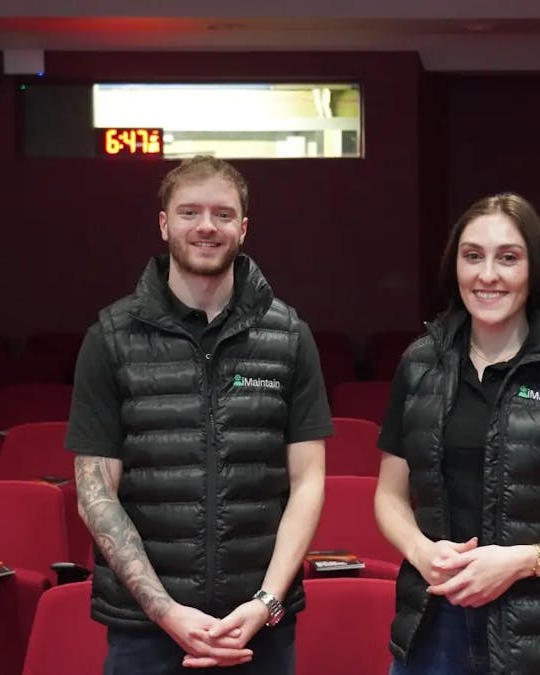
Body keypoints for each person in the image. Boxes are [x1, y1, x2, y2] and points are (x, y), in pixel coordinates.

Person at [66, 155, 332, 674]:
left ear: (243, 228)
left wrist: (265, 602)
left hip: (259, 627)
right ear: (164, 223)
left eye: (222, 214)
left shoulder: (289, 337)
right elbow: (95, 494)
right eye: (189, 212)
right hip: (145, 631)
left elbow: (308, 483)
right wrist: (165, 612)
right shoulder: (110, 339)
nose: (207, 226)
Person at [374, 193, 540, 674]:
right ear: (455, 266)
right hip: (435, 629)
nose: (487, 275)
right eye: (472, 256)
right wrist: (420, 551)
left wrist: (523, 561)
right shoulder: (419, 365)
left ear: (533, 269)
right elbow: (389, 496)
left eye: (507, 258)